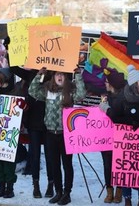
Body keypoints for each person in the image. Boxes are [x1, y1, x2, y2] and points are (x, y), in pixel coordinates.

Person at [28, 67, 86, 205]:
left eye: (62, 75)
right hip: (50, 133)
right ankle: (58, 191)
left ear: (66, 77)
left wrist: (77, 75)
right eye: (57, 75)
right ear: (53, 77)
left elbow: (82, 94)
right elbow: (32, 91)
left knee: (67, 164)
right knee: (54, 165)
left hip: (65, 134)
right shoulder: (48, 90)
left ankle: (67, 193)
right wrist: (39, 75)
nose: (60, 77)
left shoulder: (70, 92)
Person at [103, 65, 139, 206]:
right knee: (126, 171)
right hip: (127, 142)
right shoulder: (123, 98)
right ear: (134, 84)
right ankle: (127, 199)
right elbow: (115, 116)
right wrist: (129, 122)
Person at [10, 66, 54, 199]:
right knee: (34, 156)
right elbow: (13, 68)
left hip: (50, 123)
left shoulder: (55, 74)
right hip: (34, 122)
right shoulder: (31, 75)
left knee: (50, 156)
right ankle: (36, 185)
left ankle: (50, 185)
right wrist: (8, 47)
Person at [0, 67, 27, 198]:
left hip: (9, 132)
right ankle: (1, 186)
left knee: (8, 162)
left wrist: (23, 107)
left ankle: (10, 188)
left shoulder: (17, 91)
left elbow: (23, 109)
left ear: (5, 79)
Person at [98, 68, 127, 204]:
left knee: (119, 165)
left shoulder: (123, 98)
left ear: (113, 84)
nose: (105, 83)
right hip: (106, 137)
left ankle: (119, 191)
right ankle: (109, 190)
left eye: (107, 81)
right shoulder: (106, 96)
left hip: (120, 137)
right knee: (107, 165)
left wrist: (105, 107)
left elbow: (115, 115)